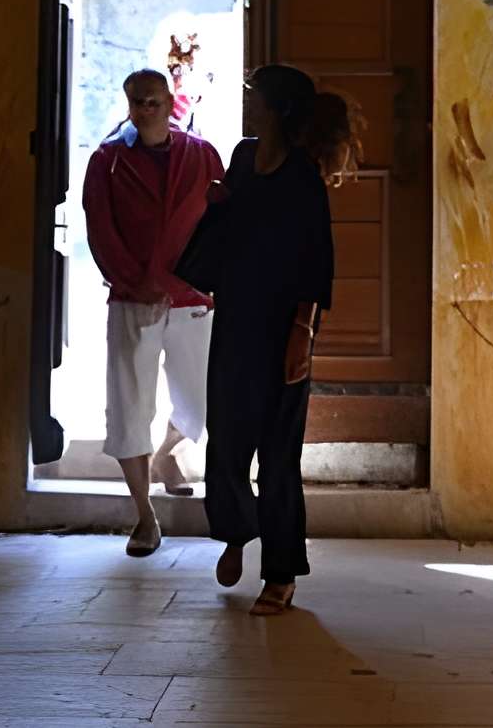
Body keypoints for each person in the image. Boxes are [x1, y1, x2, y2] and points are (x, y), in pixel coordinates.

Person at [182, 63, 349, 617]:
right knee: (226, 442)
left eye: (255, 98)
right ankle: (238, 529)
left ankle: (280, 573)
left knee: (278, 457)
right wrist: (218, 205)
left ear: (277, 108)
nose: (247, 105)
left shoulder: (303, 177)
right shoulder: (242, 158)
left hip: (284, 327)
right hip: (236, 319)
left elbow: (316, 262)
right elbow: (231, 230)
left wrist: (301, 336)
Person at [81, 69, 222, 556]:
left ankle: (166, 457)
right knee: (128, 404)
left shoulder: (200, 154)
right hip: (132, 299)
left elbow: (221, 220)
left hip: (191, 299)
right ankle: (144, 515)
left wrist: (212, 281)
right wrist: (132, 281)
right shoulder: (108, 161)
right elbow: (100, 226)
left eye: (154, 102)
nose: (145, 110)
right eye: (137, 102)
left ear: (169, 102)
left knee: (202, 399)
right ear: (128, 103)